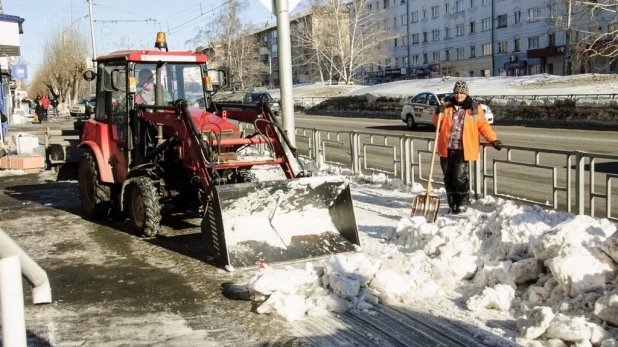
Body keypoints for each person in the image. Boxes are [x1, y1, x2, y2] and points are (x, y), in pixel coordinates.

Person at [433, 80, 502, 214]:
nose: (459, 95)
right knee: (448, 178)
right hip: (446, 147)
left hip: (462, 148)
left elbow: (483, 126)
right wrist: (437, 112)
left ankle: (462, 203)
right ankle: (452, 203)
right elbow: (437, 124)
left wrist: (493, 140)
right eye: (457, 92)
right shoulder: (446, 106)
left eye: (461, 93)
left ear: (466, 94)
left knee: (459, 177)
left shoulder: (474, 108)